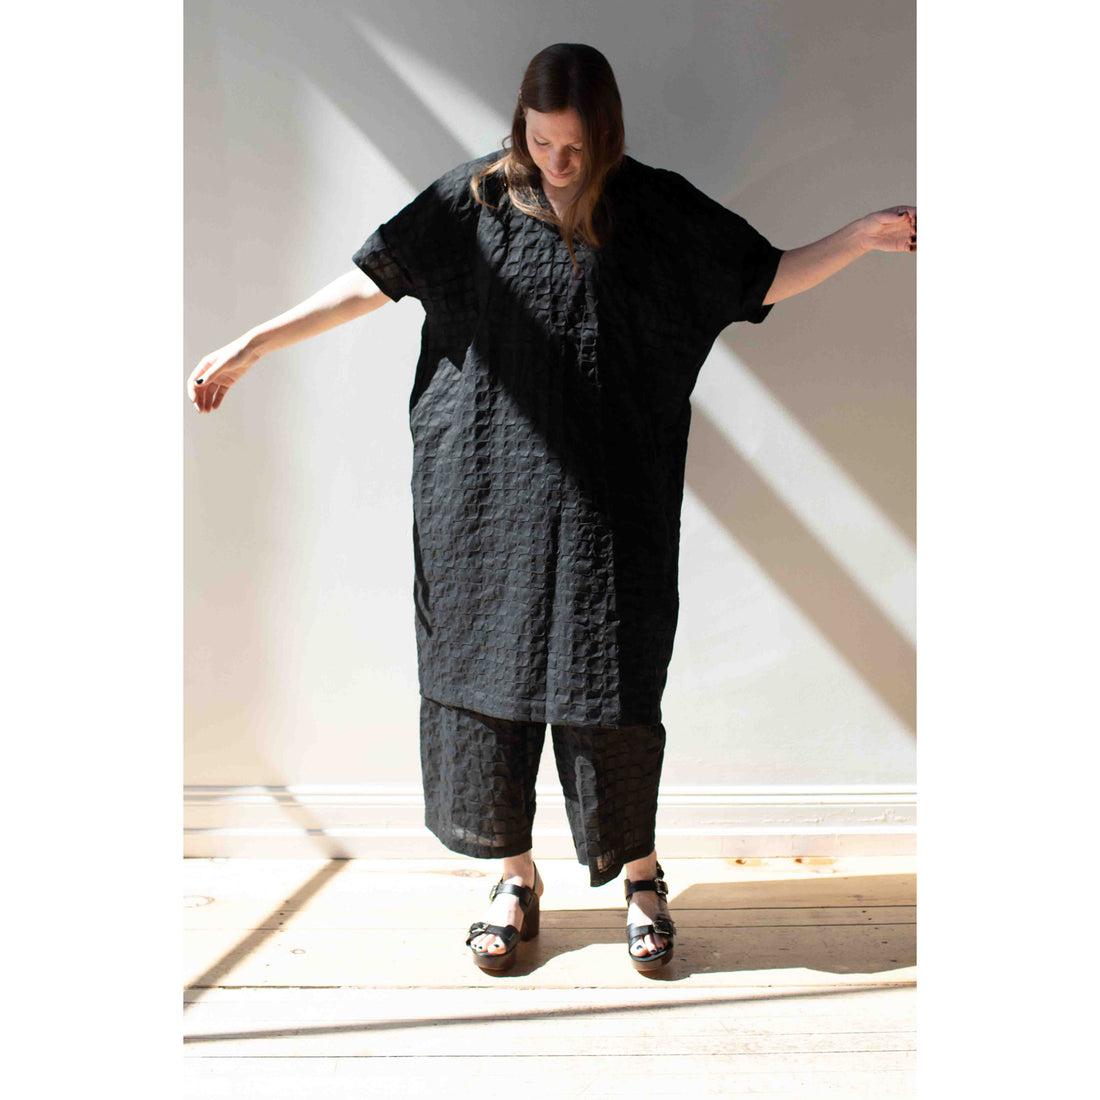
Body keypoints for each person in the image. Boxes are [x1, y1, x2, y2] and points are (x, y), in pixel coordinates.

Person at [187, 42, 915, 975]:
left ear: (606, 135)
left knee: (611, 685)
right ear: (519, 127)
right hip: (482, 495)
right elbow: (372, 281)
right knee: (484, 682)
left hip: (614, 504)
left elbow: (758, 277)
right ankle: (513, 880)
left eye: (575, 148)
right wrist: (254, 343)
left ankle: (641, 877)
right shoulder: (473, 200)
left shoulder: (653, 209)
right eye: (540, 143)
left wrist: (857, 237)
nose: (557, 164)